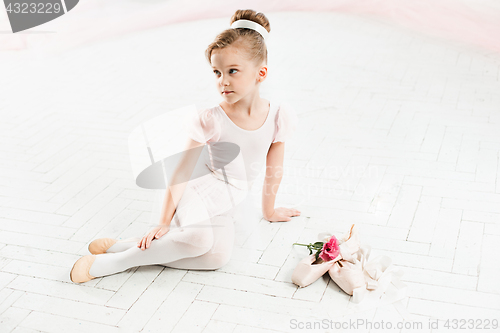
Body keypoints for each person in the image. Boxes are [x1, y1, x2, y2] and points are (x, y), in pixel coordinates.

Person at [70, 9, 301, 283]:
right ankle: (112, 263)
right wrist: (163, 222)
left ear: (260, 73)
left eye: (232, 71)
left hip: (229, 200)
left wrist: (270, 211)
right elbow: (180, 171)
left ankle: (128, 247)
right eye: (217, 72)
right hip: (198, 187)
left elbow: (274, 170)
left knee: (216, 258)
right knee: (199, 238)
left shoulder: (277, 116)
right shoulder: (211, 118)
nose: (222, 81)